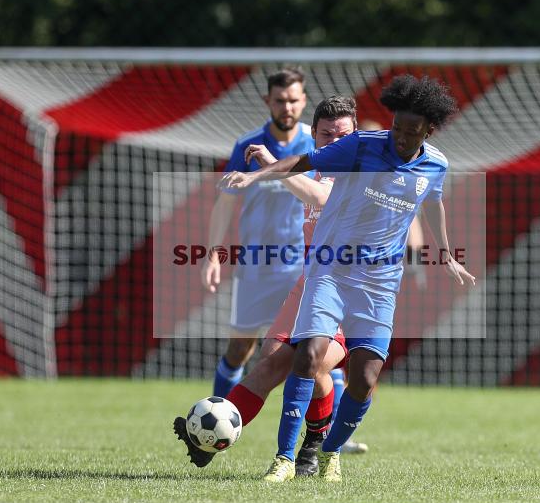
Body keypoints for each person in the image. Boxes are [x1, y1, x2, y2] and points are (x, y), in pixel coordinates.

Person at [222, 75, 475, 482]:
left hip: (378, 284)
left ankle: (327, 451)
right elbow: (303, 164)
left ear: (428, 131)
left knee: (364, 377)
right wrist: (256, 175)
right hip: (329, 272)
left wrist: (444, 252)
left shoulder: (435, 164)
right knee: (302, 358)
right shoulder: (360, 148)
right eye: (397, 128)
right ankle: (285, 458)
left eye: (413, 131)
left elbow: (433, 202)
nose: (402, 138)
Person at [174, 96, 356, 479]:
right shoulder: (316, 168)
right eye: (327, 135)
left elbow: (322, 199)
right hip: (310, 283)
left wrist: (273, 169)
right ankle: (208, 439)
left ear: (354, 135)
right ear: (316, 137)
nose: (335, 142)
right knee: (272, 364)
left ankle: (313, 447)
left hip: (351, 289)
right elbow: (305, 191)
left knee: (311, 365)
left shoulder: (362, 172)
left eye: (343, 134)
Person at [202, 68, 314, 398]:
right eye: (280, 101)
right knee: (240, 350)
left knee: (314, 351)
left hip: (303, 268)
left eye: (293, 100)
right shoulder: (247, 145)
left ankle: (331, 436)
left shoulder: (315, 145)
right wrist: (213, 255)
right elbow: (224, 203)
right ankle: (217, 422)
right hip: (256, 267)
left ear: (303, 100)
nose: (287, 108)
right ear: (268, 100)